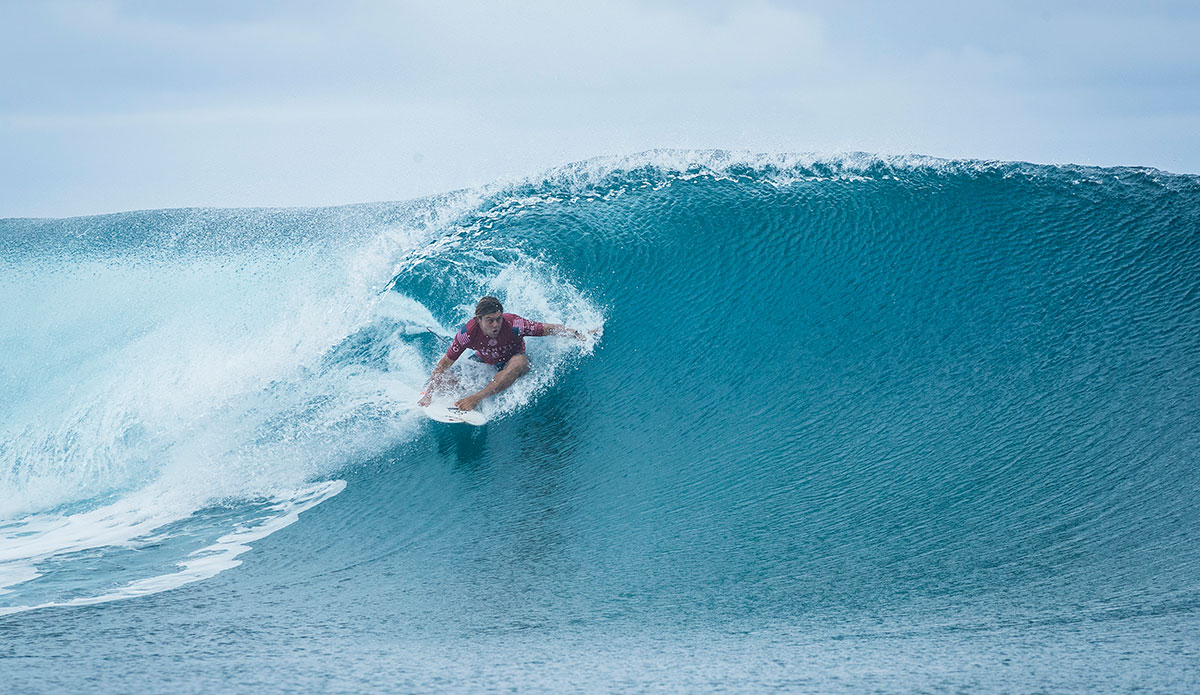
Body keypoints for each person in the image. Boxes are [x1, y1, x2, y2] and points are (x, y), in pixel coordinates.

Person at [418, 296, 594, 411]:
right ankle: (430, 394)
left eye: (498, 319)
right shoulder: (467, 334)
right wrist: (429, 395)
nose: (496, 325)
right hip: (484, 361)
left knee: (519, 364)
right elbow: (444, 364)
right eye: (490, 321)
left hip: (513, 359)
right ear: (478, 320)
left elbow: (548, 329)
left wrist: (579, 334)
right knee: (446, 379)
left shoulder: (514, 324)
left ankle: (476, 398)